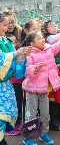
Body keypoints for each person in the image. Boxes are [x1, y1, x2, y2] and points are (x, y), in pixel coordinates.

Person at [22, 30, 60, 145]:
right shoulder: (30, 54)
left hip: (44, 89)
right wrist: (35, 69)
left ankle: (43, 133)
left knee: (45, 113)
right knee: (31, 114)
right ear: (32, 44)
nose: (43, 39)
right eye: (39, 38)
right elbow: (28, 72)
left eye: (42, 37)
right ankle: (28, 137)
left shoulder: (49, 49)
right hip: (32, 89)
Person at [0, 12, 31, 145]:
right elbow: (3, 60)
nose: (6, 28)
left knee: (4, 114)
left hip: (5, 85)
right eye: (4, 25)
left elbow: (13, 61)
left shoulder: (5, 41)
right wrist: (15, 53)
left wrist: (23, 55)